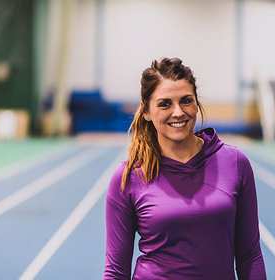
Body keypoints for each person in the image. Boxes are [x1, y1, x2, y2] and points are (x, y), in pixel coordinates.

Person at [103, 57, 266, 280]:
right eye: (165, 103)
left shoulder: (235, 163)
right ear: (147, 112)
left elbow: (250, 256)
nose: (178, 112)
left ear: (197, 104)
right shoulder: (128, 177)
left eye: (186, 101)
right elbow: (116, 271)